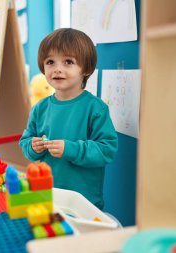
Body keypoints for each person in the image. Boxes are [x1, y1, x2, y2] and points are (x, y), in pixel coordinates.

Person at [19, 28, 118, 210]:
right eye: (50, 62)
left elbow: (107, 150)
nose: (57, 69)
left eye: (68, 62)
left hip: (84, 201)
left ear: (86, 69)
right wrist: (32, 147)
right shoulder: (39, 109)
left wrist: (70, 149)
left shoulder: (95, 108)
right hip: (48, 195)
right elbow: (25, 142)